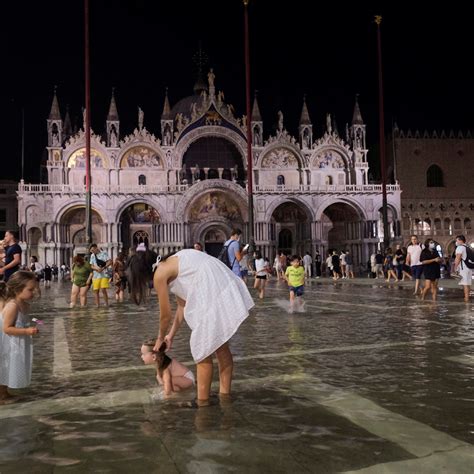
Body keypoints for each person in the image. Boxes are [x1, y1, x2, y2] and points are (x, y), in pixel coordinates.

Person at [127, 248, 254, 406]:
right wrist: (170, 336)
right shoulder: (172, 262)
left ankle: (202, 402)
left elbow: (165, 315)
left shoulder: (160, 273)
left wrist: (160, 338)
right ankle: (224, 395)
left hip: (210, 286)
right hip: (219, 280)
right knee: (220, 347)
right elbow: (182, 306)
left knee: (202, 351)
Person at [0, 271, 39, 404]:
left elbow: (24, 320)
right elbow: (6, 328)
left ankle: (4, 393)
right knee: (4, 365)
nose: (33, 292)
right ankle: (2, 397)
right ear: (17, 289)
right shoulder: (12, 306)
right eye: (30, 289)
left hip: (14, 341)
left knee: (8, 366)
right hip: (7, 342)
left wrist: (35, 324)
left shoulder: (23, 304)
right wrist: (26, 331)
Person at [454, 235, 472, 302]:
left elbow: (458, 258)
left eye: (457, 240)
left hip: (464, 268)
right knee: (467, 283)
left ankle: (466, 299)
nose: (456, 242)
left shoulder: (460, 247)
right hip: (469, 268)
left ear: (460, 240)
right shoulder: (467, 247)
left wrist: (455, 267)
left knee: (465, 284)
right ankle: (468, 298)